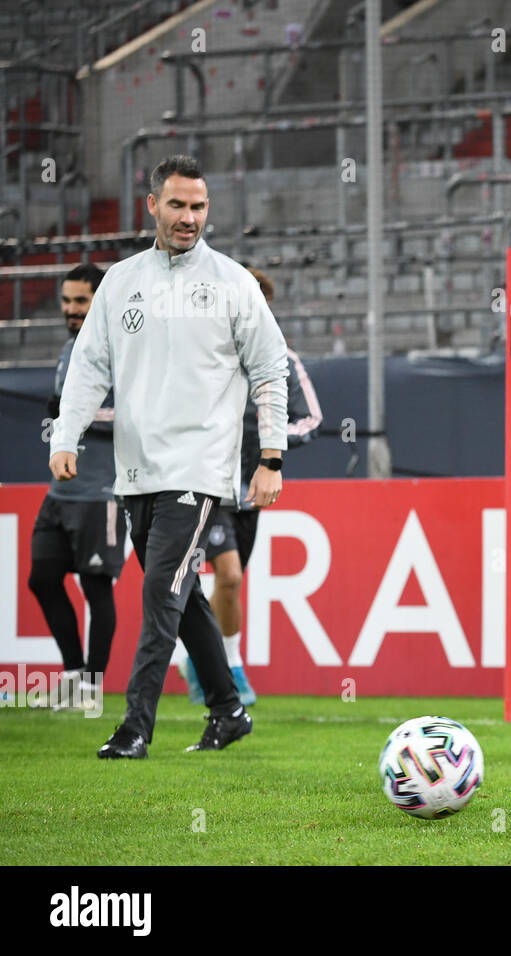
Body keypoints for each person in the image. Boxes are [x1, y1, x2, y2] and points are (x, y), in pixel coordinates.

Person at [50, 153, 289, 758]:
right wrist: (66, 435)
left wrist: (271, 456)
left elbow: (270, 368)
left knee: (160, 592)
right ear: (151, 205)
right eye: (178, 205)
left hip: (200, 470)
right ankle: (228, 710)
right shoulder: (121, 282)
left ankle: (135, 728)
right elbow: (89, 367)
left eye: (199, 206)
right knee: (185, 601)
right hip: (137, 473)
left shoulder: (233, 283)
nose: (189, 217)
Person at [178, 266, 323, 706]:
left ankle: (210, 659)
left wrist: (269, 446)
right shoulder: (202, 357)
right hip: (205, 483)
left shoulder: (281, 360)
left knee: (232, 584)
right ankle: (228, 667)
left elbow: (311, 420)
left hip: (252, 490)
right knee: (228, 573)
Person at [28, 263, 121, 711]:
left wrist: (75, 415)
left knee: (96, 586)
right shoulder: (70, 349)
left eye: (80, 301)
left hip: (100, 492)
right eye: (66, 301)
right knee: (42, 579)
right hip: (59, 492)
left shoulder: (121, 348)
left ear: (99, 300)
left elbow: (135, 416)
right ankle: (72, 672)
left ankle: (90, 686)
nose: (70, 309)